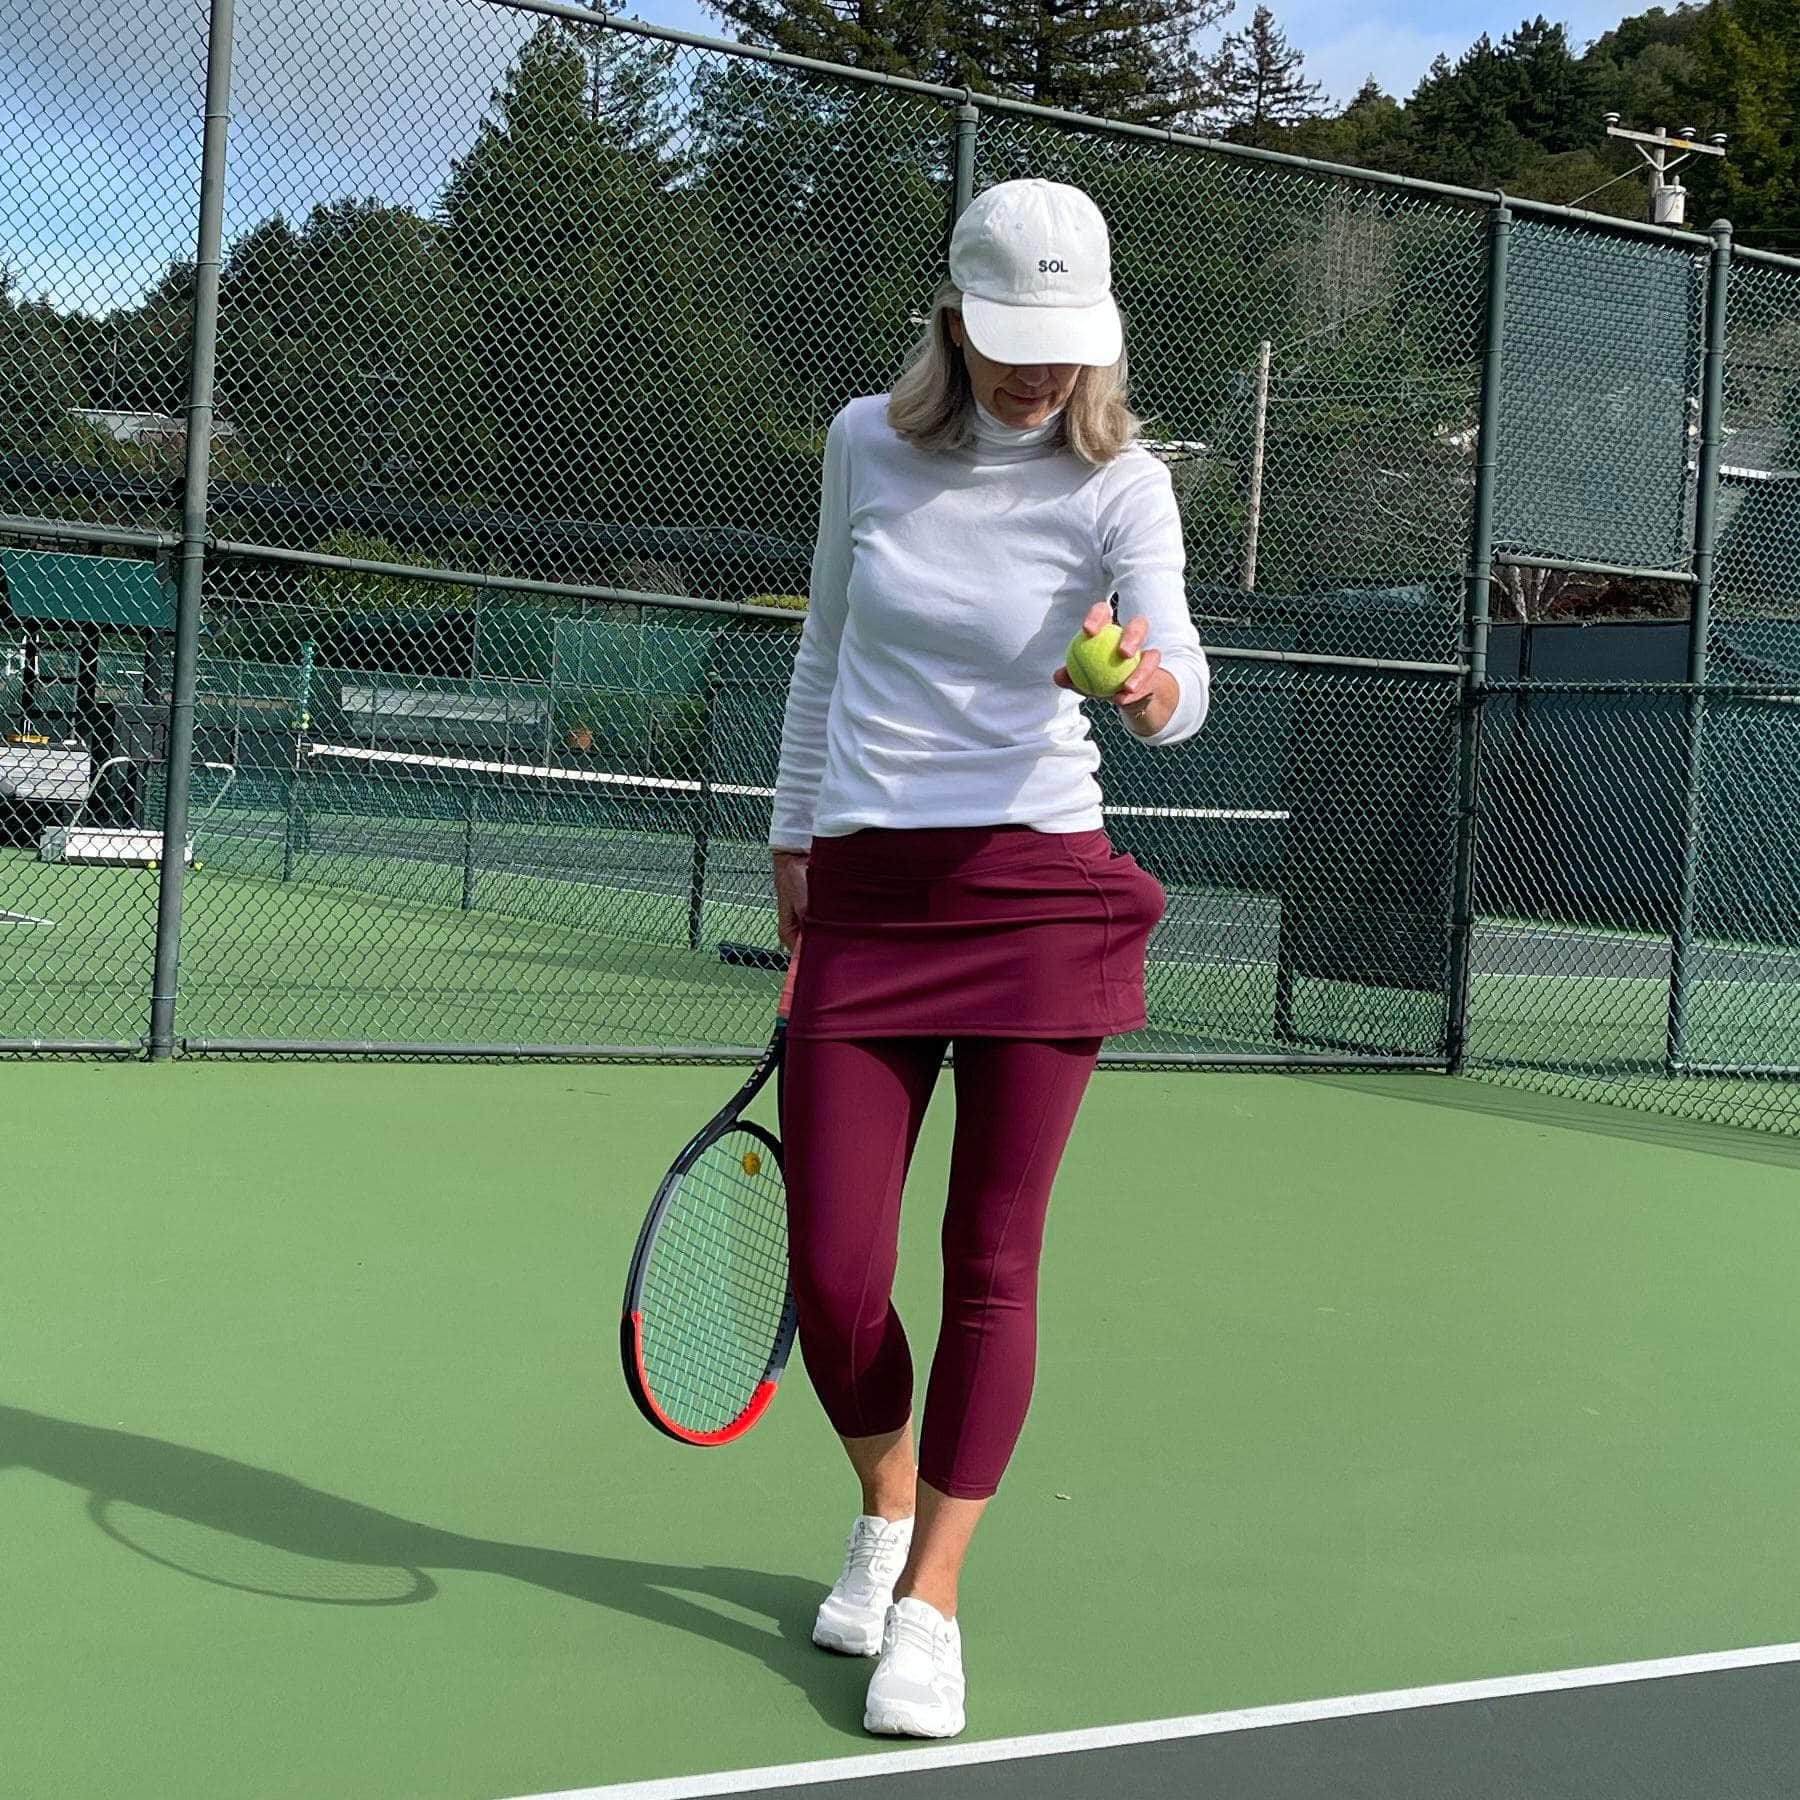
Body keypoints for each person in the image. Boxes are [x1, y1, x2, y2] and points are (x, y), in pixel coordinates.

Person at [767, 178, 1211, 1740]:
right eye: (1013, 343)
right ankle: (884, 1508)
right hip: (869, 894)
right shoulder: (863, 443)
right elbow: (824, 644)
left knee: (992, 1263)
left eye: (1064, 348)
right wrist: (794, 838)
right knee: (833, 1275)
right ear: (952, 318)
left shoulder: (1123, 484)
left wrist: (1151, 690)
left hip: (1038, 894)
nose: (1038, 375)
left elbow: (1179, 665)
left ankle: (935, 1600)